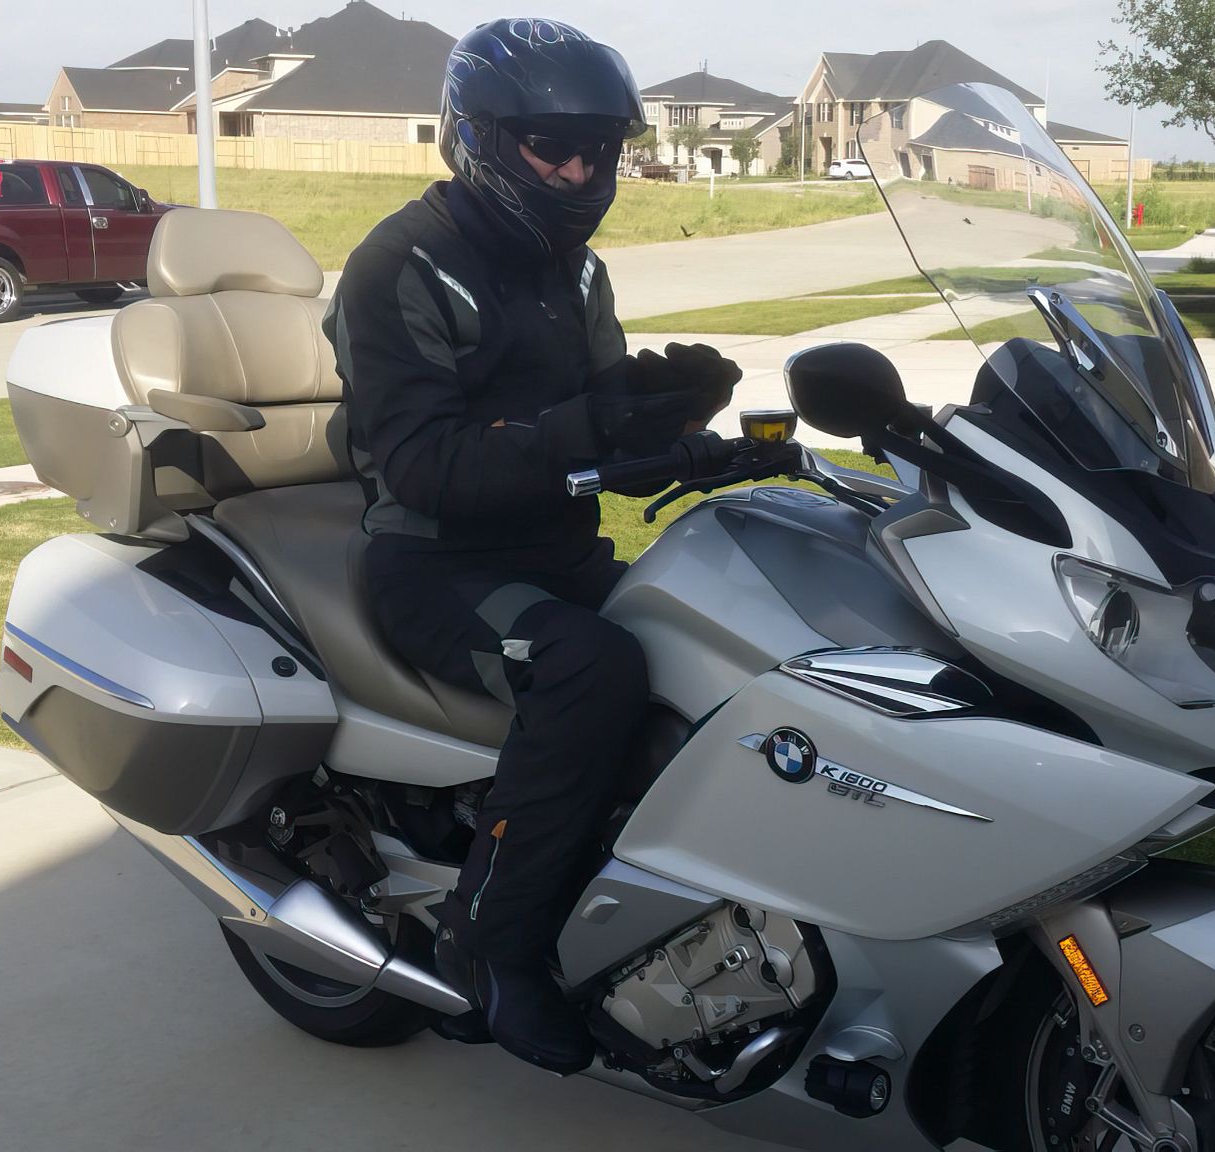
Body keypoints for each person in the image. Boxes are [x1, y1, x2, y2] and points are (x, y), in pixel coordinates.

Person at [323, 18, 740, 1074]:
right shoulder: (400, 264)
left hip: (555, 554)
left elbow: (596, 441)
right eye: (552, 146)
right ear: (479, 136)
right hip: (438, 566)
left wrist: (682, 429)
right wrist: (587, 429)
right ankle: (491, 943)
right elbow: (422, 465)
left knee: (728, 640)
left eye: (597, 149)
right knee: (592, 670)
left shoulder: (576, 269)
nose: (578, 171)